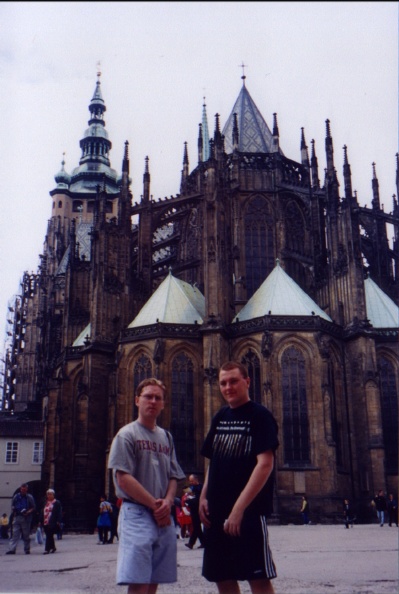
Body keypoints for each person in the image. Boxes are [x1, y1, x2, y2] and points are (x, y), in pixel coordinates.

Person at [199, 361, 279, 594]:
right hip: (217, 511)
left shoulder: (260, 416)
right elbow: (213, 461)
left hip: (248, 513)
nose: (228, 387)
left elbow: (265, 464)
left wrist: (239, 509)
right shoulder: (220, 415)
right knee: (222, 577)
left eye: (233, 381)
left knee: (258, 578)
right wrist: (204, 496)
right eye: (223, 382)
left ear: (247, 381)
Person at [108, 377, 186, 594]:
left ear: (163, 404)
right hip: (137, 513)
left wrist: (168, 502)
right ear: (136, 400)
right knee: (139, 581)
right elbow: (123, 478)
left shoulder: (166, 437)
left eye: (157, 398)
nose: (152, 401)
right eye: (148, 397)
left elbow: (173, 475)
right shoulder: (126, 435)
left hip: (162, 515)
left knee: (152, 580)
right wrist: (156, 505)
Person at [6, 482, 36, 555]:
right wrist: (14, 511)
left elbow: (33, 507)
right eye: (22, 489)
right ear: (20, 489)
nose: (23, 491)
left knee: (26, 535)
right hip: (17, 517)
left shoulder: (29, 497)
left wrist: (28, 512)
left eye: (25, 489)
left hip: (26, 518)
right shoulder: (16, 496)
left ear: (27, 489)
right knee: (15, 534)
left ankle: (27, 549)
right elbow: (13, 505)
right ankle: (12, 549)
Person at [39, 489, 63, 554]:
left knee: (49, 534)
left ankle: (47, 549)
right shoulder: (45, 502)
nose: (49, 496)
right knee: (49, 535)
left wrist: (58, 520)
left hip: (52, 521)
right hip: (45, 520)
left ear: (53, 495)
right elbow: (42, 511)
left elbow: (59, 512)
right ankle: (53, 547)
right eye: (48, 494)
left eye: (51, 494)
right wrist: (40, 520)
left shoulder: (57, 502)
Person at [185, 474, 205, 549]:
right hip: (193, 508)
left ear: (196, 480)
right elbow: (188, 495)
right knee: (197, 527)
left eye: (192, 481)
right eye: (190, 481)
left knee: (196, 526)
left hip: (198, 509)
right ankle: (203, 543)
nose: (191, 482)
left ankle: (191, 543)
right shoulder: (191, 488)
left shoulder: (201, 487)